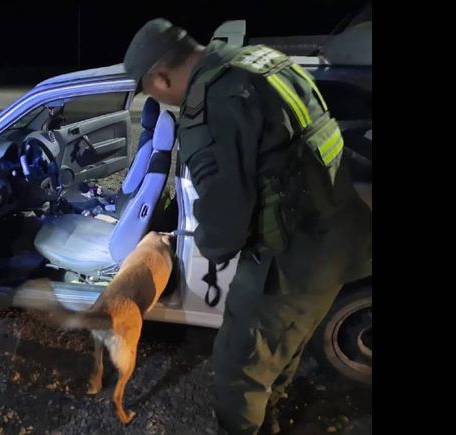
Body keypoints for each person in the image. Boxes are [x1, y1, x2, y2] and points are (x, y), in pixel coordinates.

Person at [122, 18, 371, 434]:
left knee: (240, 367)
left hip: (292, 259)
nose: (163, 100)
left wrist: (202, 243)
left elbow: (223, 228)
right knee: (282, 345)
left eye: (152, 92)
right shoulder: (264, 61)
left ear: (161, 77)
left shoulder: (212, 107)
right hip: (341, 234)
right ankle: (271, 408)